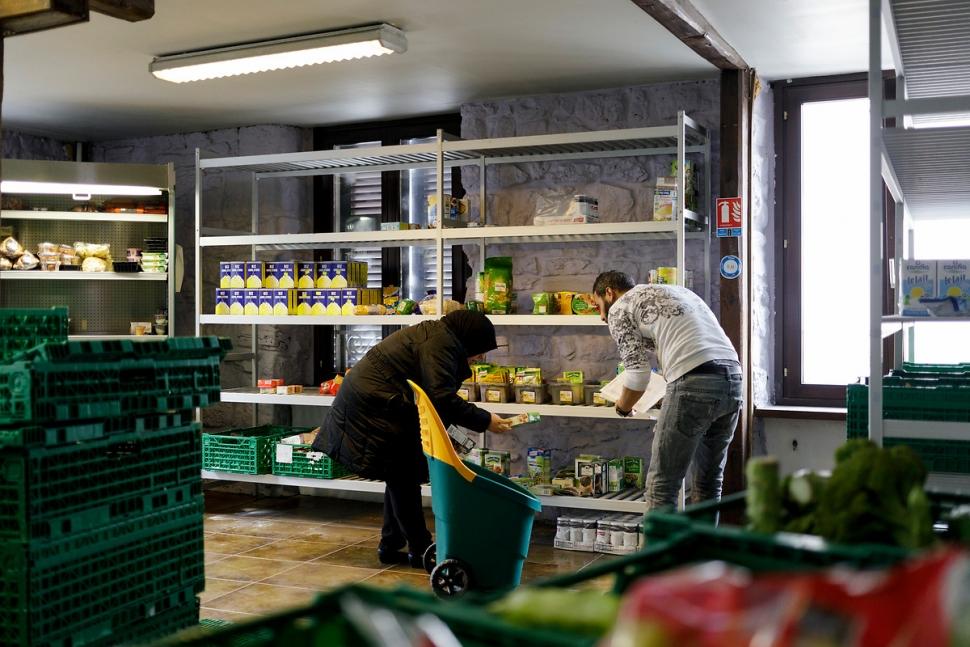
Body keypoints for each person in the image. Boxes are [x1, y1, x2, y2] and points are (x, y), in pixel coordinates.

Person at [312, 310, 514, 568]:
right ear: (470, 339)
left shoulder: (439, 336)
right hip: (375, 405)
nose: (479, 358)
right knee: (403, 474)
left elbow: (434, 396)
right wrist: (485, 420)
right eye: (480, 351)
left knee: (398, 473)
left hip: (383, 400)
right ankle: (421, 548)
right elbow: (441, 397)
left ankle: (391, 543)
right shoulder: (440, 342)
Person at [591, 270, 742, 510]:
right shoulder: (676, 291)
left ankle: (661, 549)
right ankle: (701, 548)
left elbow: (638, 375)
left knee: (663, 485)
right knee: (709, 482)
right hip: (733, 379)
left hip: (693, 383)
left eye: (598, 306)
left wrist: (622, 407)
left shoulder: (620, 307)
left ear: (609, 293)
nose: (601, 316)